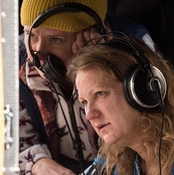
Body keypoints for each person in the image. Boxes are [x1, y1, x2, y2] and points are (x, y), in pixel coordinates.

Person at [19, 0, 158, 174]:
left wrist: (91, 69)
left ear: (90, 34)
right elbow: (9, 138)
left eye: (55, 39)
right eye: (31, 35)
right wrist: (37, 163)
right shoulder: (16, 59)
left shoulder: (132, 48)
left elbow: (150, 129)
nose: (37, 52)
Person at [67, 35, 174, 175]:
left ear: (144, 89)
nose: (89, 115)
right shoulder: (114, 158)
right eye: (85, 102)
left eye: (100, 94)